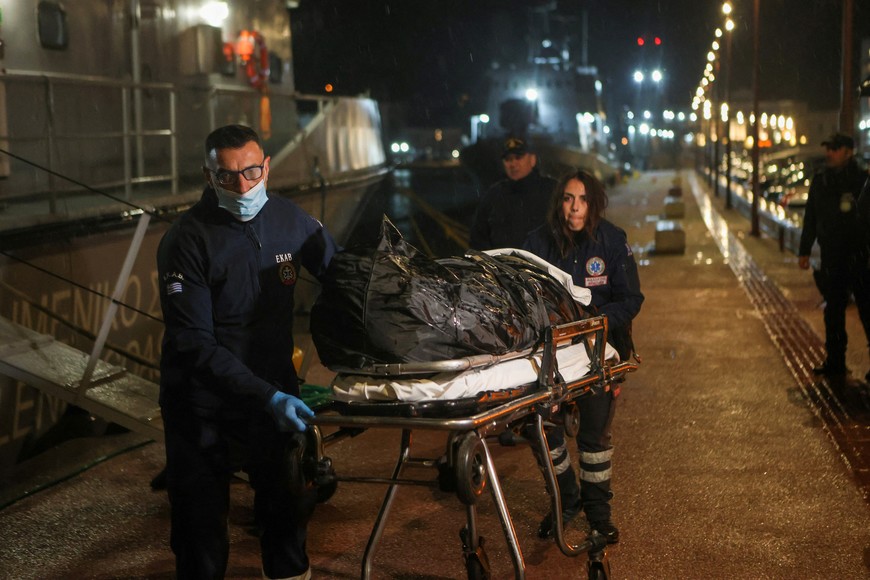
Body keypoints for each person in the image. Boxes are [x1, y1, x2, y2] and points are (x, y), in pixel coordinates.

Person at [157, 124, 340, 579]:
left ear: (267, 166)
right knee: (200, 535)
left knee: (286, 518)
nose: (242, 186)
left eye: (251, 171)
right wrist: (268, 397)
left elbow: (344, 280)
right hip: (201, 404)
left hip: (273, 393)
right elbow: (194, 343)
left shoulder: (291, 221)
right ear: (208, 175)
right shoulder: (186, 240)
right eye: (227, 176)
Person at [523, 169, 644, 544]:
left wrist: (595, 323)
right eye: (567, 199)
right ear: (559, 202)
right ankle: (565, 500)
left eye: (582, 200)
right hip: (553, 355)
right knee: (542, 429)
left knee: (593, 438)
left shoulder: (610, 241)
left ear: (594, 203)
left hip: (598, 353)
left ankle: (598, 515)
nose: (574, 208)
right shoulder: (537, 243)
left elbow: (631, 299)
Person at [797, 132, 870, 380]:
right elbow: (811, 217)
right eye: (828, 148)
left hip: (860, 254)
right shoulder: (821, 181)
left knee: (867, 309)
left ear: (848, 151)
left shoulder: (861, 179)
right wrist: (804, 250)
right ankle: (835, 360)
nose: (830, 153)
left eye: (835, 148)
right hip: (833, 255)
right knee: (834, 310)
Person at [469, 136, 557, 250]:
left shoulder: (552, 190)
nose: (513, 164)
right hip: (501, 265)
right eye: (508, 159)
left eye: (518, 157)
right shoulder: (494, 194)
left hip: (543, 265)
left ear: (532, 159)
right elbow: (478, 237)